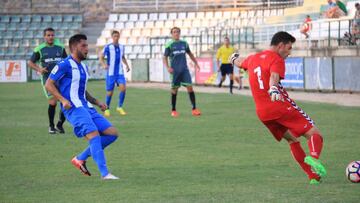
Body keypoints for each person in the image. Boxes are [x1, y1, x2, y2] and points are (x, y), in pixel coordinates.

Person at [230, 31, 327, 185]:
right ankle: (314, 158)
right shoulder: (276, 59)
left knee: (292, 140)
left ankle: (312, 176)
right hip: (279, 106)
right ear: (280, 45)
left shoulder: (254, 58)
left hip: (263, 113)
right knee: (314, 134)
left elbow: (240, 62)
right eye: (288, 48)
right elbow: (274, 76)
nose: (289, 52)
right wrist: (274, 89)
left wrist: (233, 58)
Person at [45, 34, 119, 180]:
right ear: (74, 48)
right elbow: (49, 84)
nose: (86, 49)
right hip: (74, 109)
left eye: (86, 45)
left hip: (87, 107)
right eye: (83, 46)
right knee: (94, 136)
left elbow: (81, 89)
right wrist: (62, 99)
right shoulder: (64, 64)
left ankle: (80, 158)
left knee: (112, 133)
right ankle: (105, 174)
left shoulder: (83, 67)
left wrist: (97, 102)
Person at [28, 27, 67, 134]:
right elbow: (30, 63)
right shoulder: (39, 49)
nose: (50, 37)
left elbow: (67, 61)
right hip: (48, 80)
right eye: (48, 35)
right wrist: (39, 69)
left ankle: (60, 124)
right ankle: (51, 126)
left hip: (61, 79)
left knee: (66, 101)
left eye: (52, 35)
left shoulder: (60, 48)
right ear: (44, 37)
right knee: (53, 102)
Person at [163, 27, 201, 117]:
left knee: (190, 87)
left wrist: (196, 63)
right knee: (174, 90)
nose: (176, 33)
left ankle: (194, 109)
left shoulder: (184, 43)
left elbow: (190, 53)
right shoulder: (169, 45)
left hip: (184, 70)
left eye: (177, 32)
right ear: (171, 34)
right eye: (174, 32)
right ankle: (173, 110)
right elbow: (164, 57)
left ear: (179, 33)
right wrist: (168, 67)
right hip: (175, 72)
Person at [99, 30, 130, 117]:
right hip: (111, 73)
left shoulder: (122, 47)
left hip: (120, 72)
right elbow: (101, 57)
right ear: (112, 37)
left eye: (117, 36)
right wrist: (104, 65)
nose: (116, 38)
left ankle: (119, 107)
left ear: (119, 37)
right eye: (114, 36)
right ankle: (107, 108)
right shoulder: (108, 47)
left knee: (123, 88)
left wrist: (127, 65)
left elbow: (122, 56)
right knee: (110, 92)